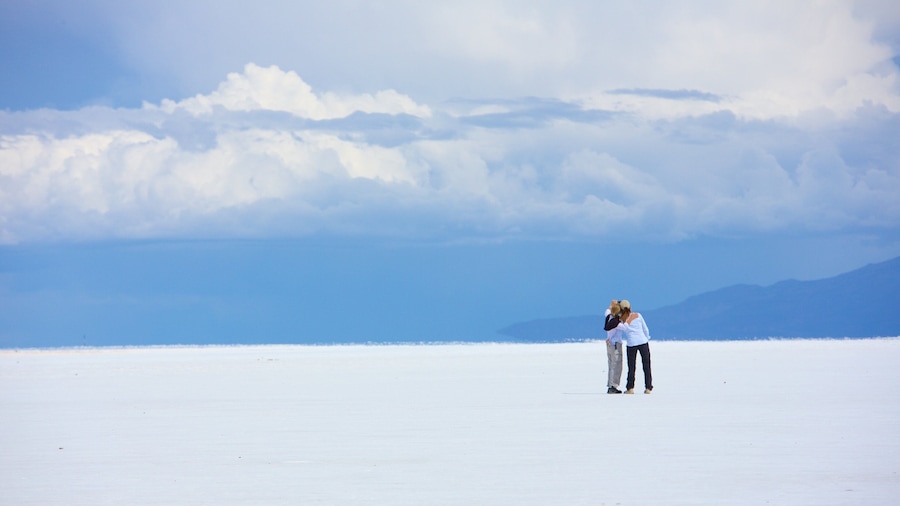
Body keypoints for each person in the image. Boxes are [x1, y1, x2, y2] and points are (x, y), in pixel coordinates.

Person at [617, 300, 653, 394]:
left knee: (631, 367)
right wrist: (647, 337)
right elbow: (645, 328)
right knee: (646, 365)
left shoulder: (622, 319)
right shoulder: (638, 315)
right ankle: (648, 387)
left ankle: (630, 388)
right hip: (643, 341)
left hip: (631, 343)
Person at [604, 300, 624, 394]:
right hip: (615, 345)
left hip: (609, 344)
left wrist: (611, 305)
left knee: (611, 365)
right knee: (616, 365)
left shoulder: (609, 317)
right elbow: (626, 327)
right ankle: (613, 386)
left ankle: (610, 384)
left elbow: (607, 312)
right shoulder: (617, 323)